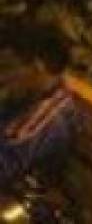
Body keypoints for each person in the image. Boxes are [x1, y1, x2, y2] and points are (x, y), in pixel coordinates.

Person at [0, 54, 75, 196]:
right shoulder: (27, 95)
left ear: (36, 68)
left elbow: (5, 167)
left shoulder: (50, 117)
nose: (2, 77)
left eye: (6, 68)